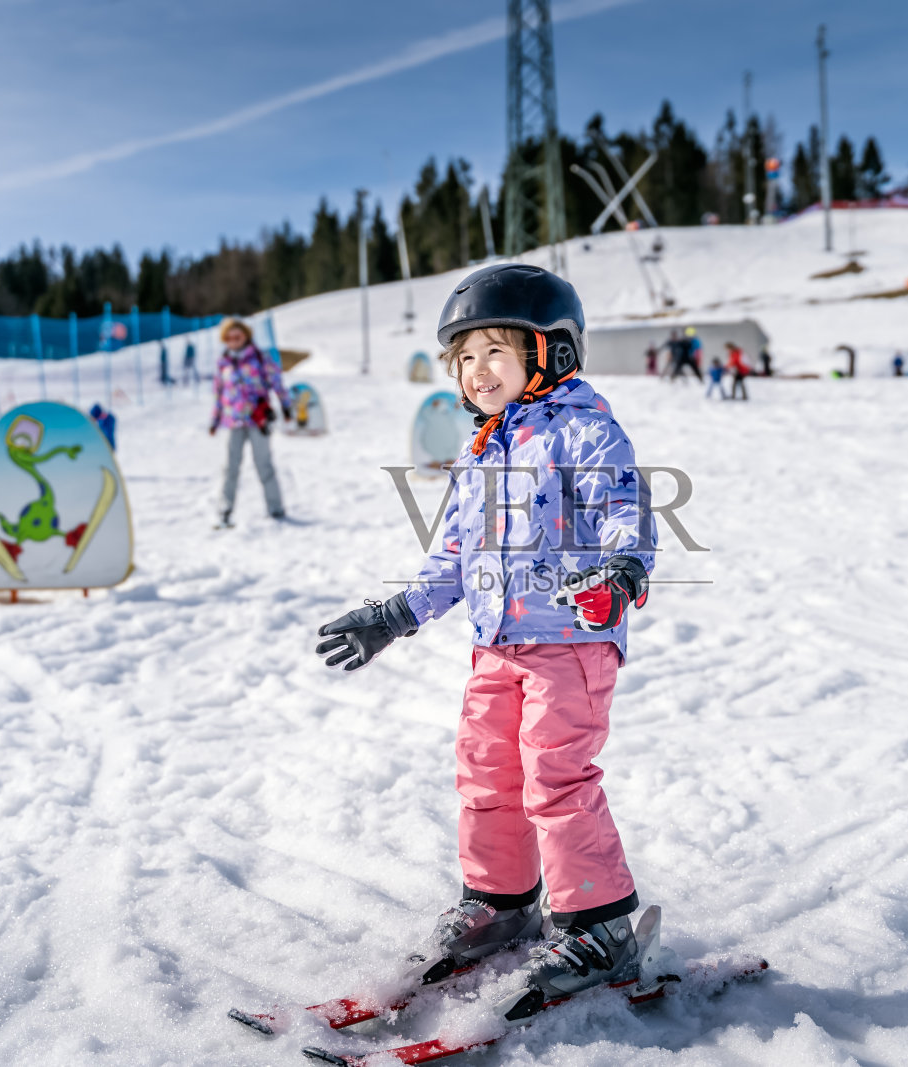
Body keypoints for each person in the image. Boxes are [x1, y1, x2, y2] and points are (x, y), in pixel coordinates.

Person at [313, 262, 656, 1018]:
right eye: (464, 358)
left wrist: (619, 571)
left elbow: (626, 515)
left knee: (555, 776)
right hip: (496, 644)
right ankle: (501, 901)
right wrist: (395, 613)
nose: (476, 372)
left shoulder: (586, 429)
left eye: (495, 351)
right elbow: (456, 558)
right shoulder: (481, 450)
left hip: (572, 638)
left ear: (553, 352)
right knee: (486, 771)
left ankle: (600, 927)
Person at [210, 317, 291, 526]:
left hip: (258, 420)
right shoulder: (223, 361)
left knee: (263, 463)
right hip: (233, 421)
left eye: (237, 336)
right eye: (228, 337)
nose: (233, 341)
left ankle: (276, 509)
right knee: (230, 467)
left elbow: (276, 382)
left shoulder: (260, 357)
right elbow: (219, 392)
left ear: (245, 335)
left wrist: (285, 405)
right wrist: (215, 419)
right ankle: (224, 511)